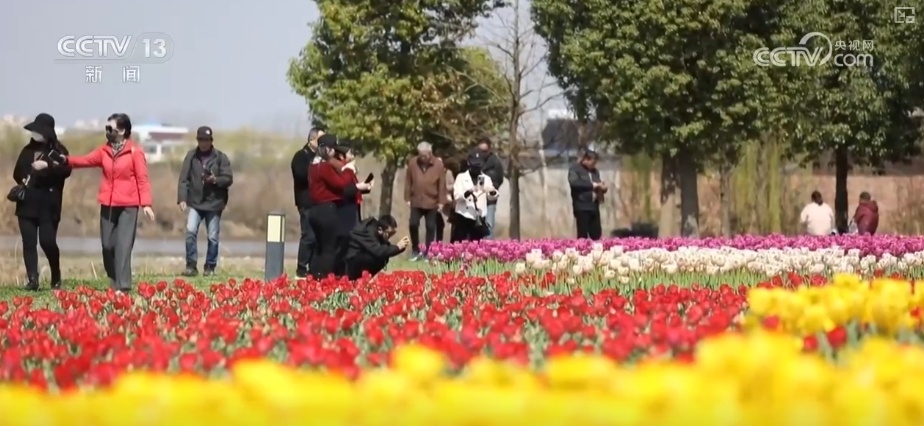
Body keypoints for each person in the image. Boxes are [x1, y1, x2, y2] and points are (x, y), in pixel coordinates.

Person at [39, 113, 155, 293]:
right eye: (106, 128)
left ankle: (123, 287)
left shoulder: (135, 152)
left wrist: (146, 204)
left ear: (122, 131)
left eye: (111, 128)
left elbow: (142, 179)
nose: (107, 132)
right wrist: (65, 160)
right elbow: (85, 160)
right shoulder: (104, 151)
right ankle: (114, 278)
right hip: (108, 203)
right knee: (107, 246)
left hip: (128, 205)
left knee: (123, 246)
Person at [13, 113, 71, 291]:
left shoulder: (60, 151)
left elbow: (65, 171)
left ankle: (56, 273)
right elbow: (17, 173)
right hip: (27, 204)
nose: (36, 135)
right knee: (28, 242)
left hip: (49, 205)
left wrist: (48, 167)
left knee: (47, 242)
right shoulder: (27, 150)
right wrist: (25, 178)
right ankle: (33, 280)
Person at [307, 134, 370, 279]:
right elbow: (340, 184)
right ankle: (325, 277)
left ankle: (314, 276)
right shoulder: (324, 167)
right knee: (329, 248)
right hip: (327, 210)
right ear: (328, 149)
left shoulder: (313, 165)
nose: (335, 152)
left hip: (314, 210)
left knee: (320, 247)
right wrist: (349, 169)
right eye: (333, 149)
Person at [176, 126, 233, 276]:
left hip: (214, 203)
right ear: (197, 140)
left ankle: (210, 267)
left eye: (206, 140)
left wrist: (215, 180)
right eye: (201, 139)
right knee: (190, 231)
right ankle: (191, 265)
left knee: (213, 236)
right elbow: (183, 179)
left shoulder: (221, 157)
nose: (204, 143)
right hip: (195, 202)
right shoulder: (191, 156)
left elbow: (228, 178)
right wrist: (182, 198)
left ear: (211, 140)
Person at [333, 142, 372, 276]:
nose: (352, 156)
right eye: (349, 153)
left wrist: (364, 188)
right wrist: (359, 186)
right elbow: (346, 190)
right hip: (346, 210)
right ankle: (339, 271)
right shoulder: (344, 170)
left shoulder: (349, 171)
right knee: (345, 242)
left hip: (353, 207)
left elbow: (353, 189)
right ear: (341, 155)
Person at [291, 127, 324, 278]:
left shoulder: (323, 157)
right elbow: (300, 175)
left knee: (319, 236)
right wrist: (315, 166)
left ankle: (315, 267)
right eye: (320, 140)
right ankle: (301, 268)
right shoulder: (301, 156)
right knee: (309, 235)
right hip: (306, 202)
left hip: (321, 202)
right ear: (311, 140)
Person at [404, 142, 447, 260]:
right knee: (413, 224)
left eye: (425, 156)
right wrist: (407, 198)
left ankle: (428, 252)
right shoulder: (413, 163)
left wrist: (441, 202)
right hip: (416, 200)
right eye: (421, 156)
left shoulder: (438, 165)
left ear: (430, 153)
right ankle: (415, 249)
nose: (423, 158)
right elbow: (408, 181)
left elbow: (442, 184)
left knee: (430, 226)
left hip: (432, 201)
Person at [343, 215, 410, 280]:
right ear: (380, 230)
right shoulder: (369, 232)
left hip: (358, 258)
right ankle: (357, 279)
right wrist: (398, 247)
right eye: (389, 233)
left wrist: (401, 247)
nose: (390, 236)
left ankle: (364, 279)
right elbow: (378, 251)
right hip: (351, 262)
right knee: (378, 257)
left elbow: (386, 249)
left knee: (384, 257)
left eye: (393, 233)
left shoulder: (378, 233)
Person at [451, 152, 498, 242]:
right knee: (460, 242)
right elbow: (457, 196)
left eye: (478, 165)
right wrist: (469, 191)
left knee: (476, 243)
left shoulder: (486, 178)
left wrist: (490, 191)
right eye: (474, 165)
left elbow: (493, 196)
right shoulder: (461, 177)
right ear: (469, 163)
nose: (476, 168)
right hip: (463, 215)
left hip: (478, 216)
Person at [568, 150, 606, 240]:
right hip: (582, 206)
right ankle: (582, 250)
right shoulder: (575, 169)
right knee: (583, 234)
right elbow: (575, 183)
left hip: (594, 205)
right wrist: (592, 185)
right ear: (586, 160)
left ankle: (596, 252)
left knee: (596, 234)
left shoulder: (595, 172)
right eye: (593, 163)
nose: (594, 165)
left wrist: (602, 188)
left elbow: (598, 183)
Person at [475, 137, 504, 238]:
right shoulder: (473, 160)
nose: (483, 153)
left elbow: (499, 179)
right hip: (476, 200)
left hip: (489, 200)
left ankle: (489, 250)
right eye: (480, 151)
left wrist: (491, 189)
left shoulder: (495, 162)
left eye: (485, 151)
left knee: (489, 226)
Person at [435, 167, 455, 242]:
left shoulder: (448, 173)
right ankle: (437, 244)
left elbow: (453, 185)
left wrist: (445, 188)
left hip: (447, 203)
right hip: (436, 203)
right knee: (437, 224)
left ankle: (446, 245)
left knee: (447, 225)